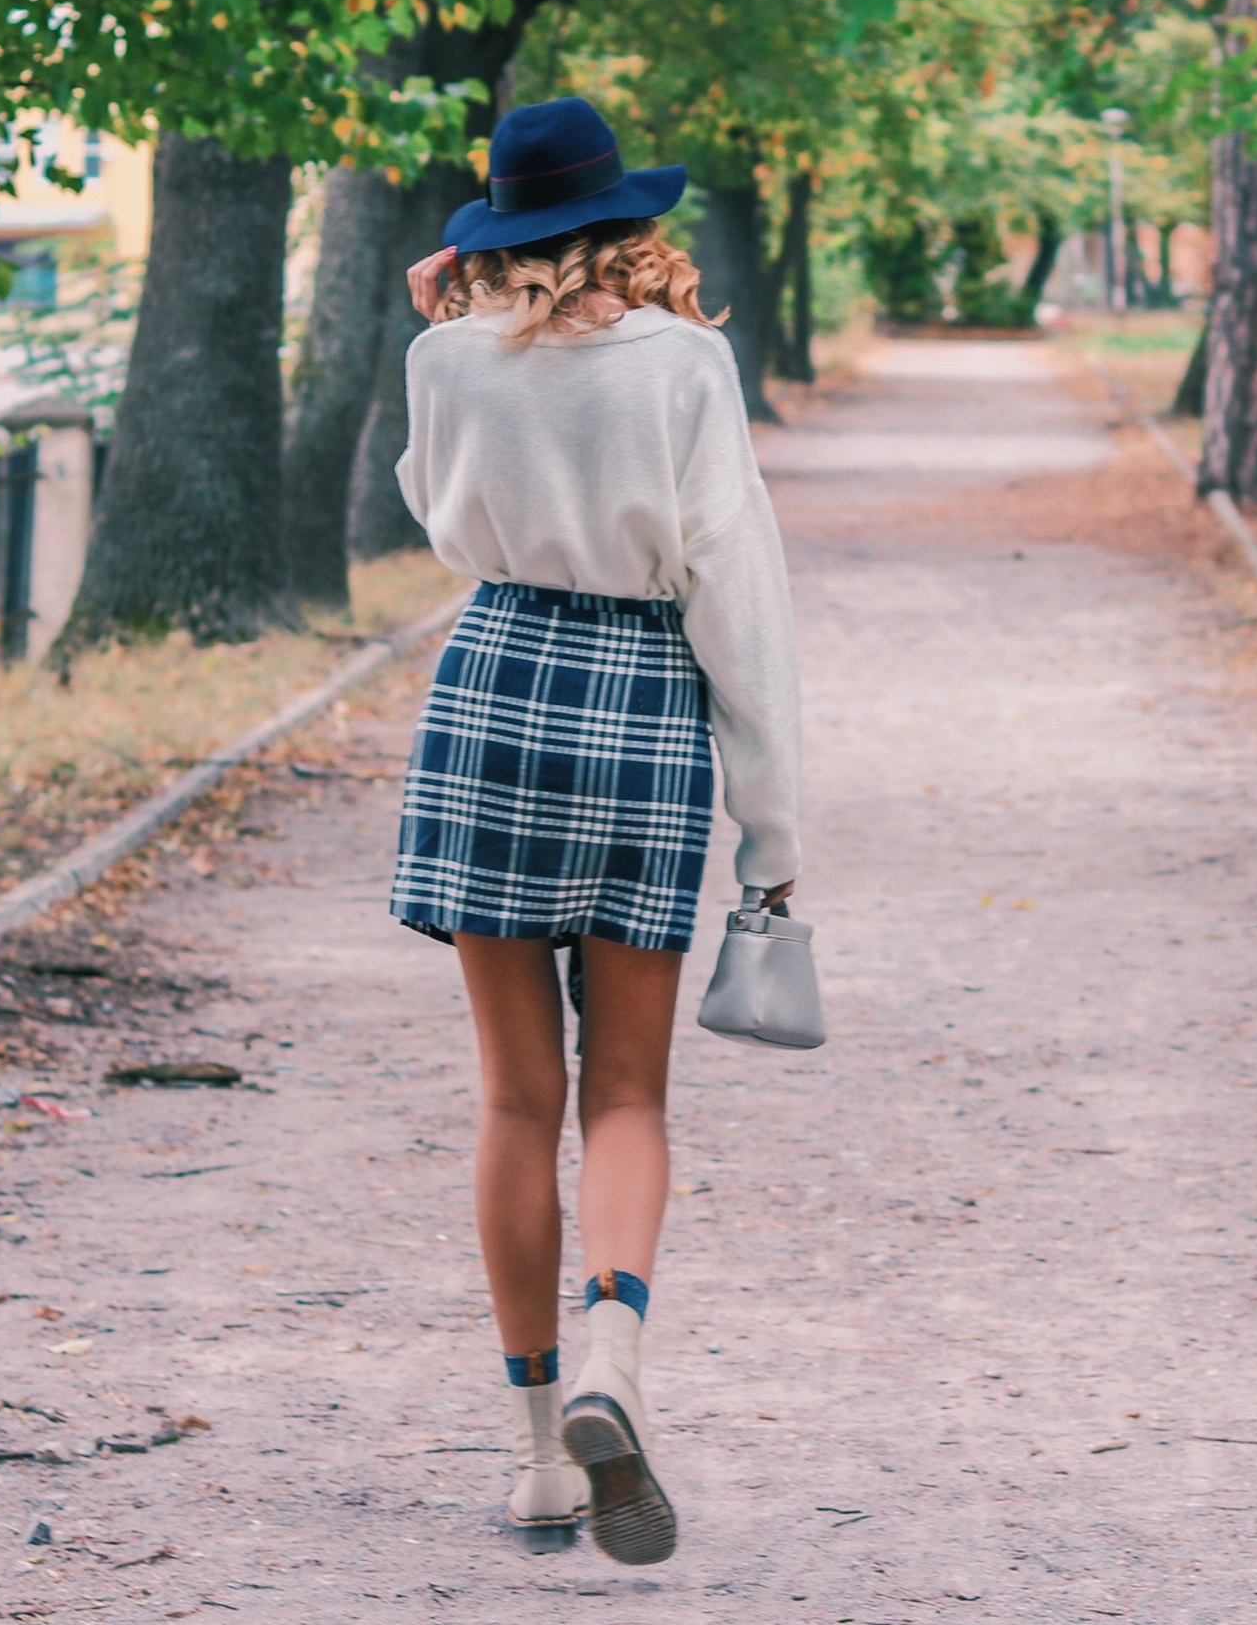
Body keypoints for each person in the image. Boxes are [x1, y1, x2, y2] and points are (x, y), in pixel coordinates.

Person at [387, 96, 801, 1565]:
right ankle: (615, 1351)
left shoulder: (445, 360)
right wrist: (774, 830)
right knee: (626, 1094)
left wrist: (439, 321)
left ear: (501, 231)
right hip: (638, 696)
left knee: (515, 1101)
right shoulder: (688, 364)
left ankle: (535, 1455)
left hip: (492, 683)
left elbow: (435, 518)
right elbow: (734, 592)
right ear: (624, 226)